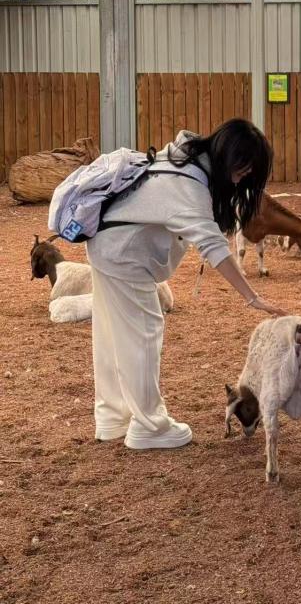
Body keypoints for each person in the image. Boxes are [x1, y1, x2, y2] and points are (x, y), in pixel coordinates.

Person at [86, 119, 286, 451]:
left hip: (106, 244)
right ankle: (149, 426)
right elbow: (214, 247)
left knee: (111, 335)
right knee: (144, 333)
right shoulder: (190, 184)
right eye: (242, 170)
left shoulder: (182, 159)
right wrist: (253, 298)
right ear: (229, 158)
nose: (242, 178)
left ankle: (113, 418)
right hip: (124, 255)